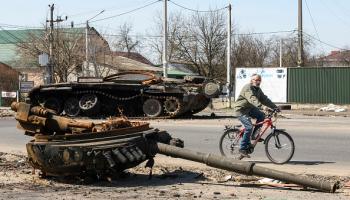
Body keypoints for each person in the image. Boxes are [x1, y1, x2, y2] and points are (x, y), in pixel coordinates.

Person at [233, 74, 279, 157]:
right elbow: (252, 99)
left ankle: (254, 136)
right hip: (241, 110)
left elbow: (265, 99)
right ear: (251, 80)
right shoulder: (248, 88)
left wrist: (275, 107)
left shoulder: (258, 89)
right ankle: (242, 148)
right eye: (256, 80)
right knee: (249, 127)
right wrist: (262, 107)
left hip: (250, 109)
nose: (258, 82)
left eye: (259, 80)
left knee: (261, 116)